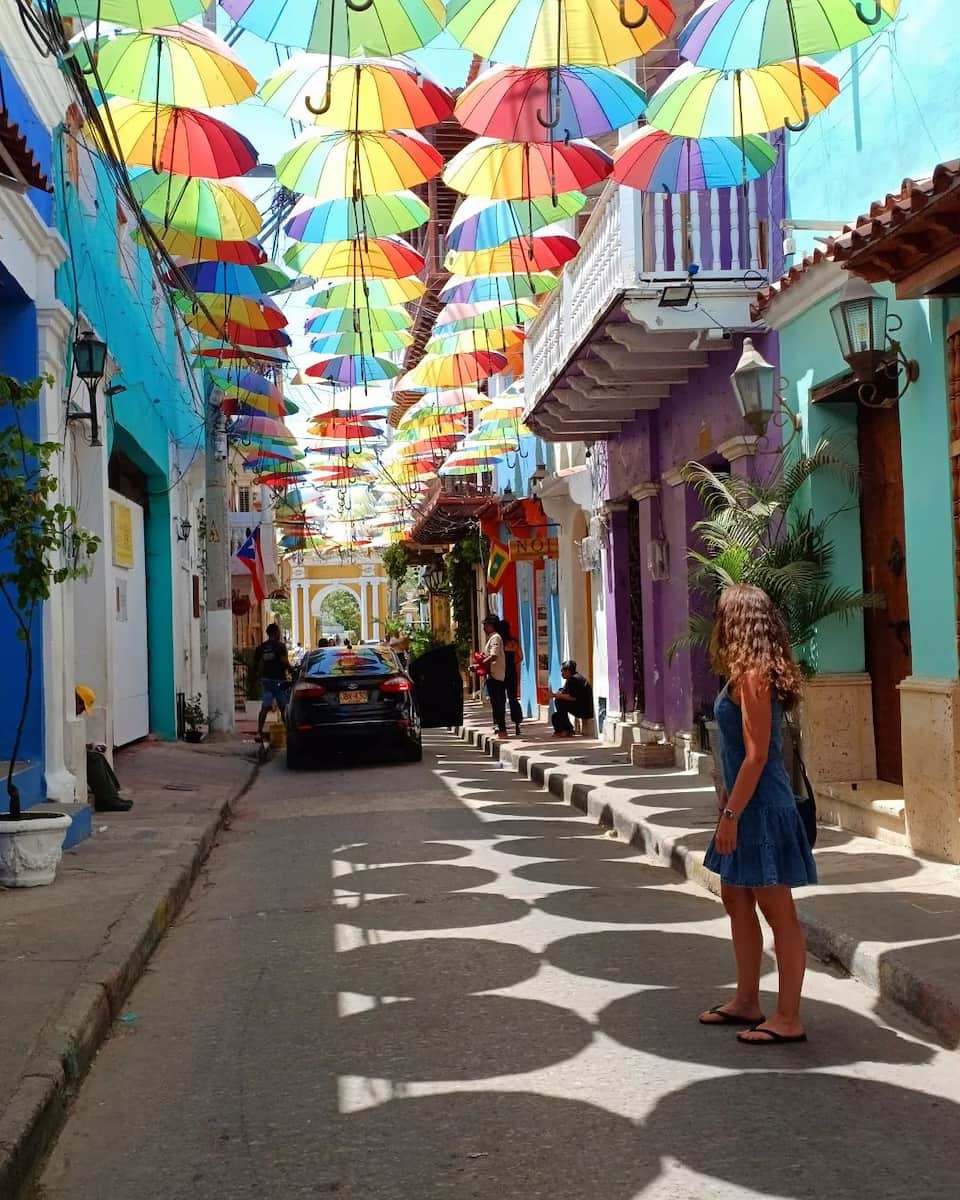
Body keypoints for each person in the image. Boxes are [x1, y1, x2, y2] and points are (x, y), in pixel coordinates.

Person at [698, 584, 817, 1046]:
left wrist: (731, 813)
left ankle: (789, 1017)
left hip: (761, 808)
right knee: (736, 898)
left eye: (722, 614)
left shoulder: (754, 677)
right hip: (745, 804)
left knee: (777, 909)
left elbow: (757, 755)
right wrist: (729, 804)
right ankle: (747, 1000)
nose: (717, 622)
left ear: (739, 621)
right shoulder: (743, 673)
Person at [253, 623, 290, 742]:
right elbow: (284, 662)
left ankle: (259, 732)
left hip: (266, 681)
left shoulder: (262, 647)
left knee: (265, 707)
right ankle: (288, 732)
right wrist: (293, 671)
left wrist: (257, 678)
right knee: (283, 707)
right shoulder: (280, 646)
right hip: (279, 680)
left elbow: (255, 663)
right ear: (276, 633)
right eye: (279, 631)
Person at [479, 614, 508, 738]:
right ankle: (498, 727)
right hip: (491, 676)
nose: (484, 628)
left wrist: (480, 664)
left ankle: (502, 729)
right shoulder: (492, 638)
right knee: (495, 703)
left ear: (491, 626)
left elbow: (494, 656)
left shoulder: (495, 638)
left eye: (486, 625)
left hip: (496, 676)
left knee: (498, 703)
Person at [551, 660, 593, 737]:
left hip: (584, 709)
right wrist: (559, 693)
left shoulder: (574, 679)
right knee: (556, 715)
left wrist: (555, 695)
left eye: (562, 671)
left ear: (567, 671)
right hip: (581, 707)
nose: (561, 673)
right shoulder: (572, 679)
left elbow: (572, 697)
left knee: (559, 701)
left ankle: (567, 730)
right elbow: (564, 691)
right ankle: (565, 729)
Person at [499, 619, 524, 736]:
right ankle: (517, 723)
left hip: (500, 672)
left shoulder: (499, 642)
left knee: (500, 700)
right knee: (513, 698)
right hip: (511, 672)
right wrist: (513, 664)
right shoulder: (513, 642)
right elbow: (521, 657)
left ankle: (500, 724)